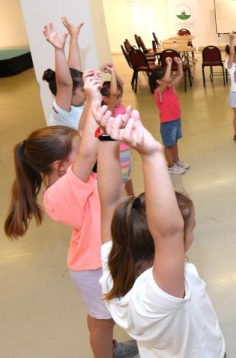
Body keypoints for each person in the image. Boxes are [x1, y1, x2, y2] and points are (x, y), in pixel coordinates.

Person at [4, 72, 136, 357]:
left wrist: (96, 106)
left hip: (96, 261)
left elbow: (84, 137)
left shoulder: (72, 180)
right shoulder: (61, 192)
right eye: (77, 152)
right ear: (61, 165)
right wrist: (94, 99)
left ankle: (109, 347)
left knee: (100, 316)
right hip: (92, 267)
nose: (85, 152)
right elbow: (88, 153)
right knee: (103, 321)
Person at [93, 107, 226, 357]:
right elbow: (169, 232)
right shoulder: (158, 295)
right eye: (190, 227)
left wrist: (107, 135)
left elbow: (109, 202)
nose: (191, 230)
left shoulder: (116, 267)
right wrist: (151, 154)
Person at [42, 17, 86, 130]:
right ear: (69, 93)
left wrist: (74, 36)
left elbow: (74, 70)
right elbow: (65, 84)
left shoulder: (77, 103)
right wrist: (59, 50)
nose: (87, 91)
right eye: (83, 89)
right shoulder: (62, 113)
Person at [149, 57, 190, 174]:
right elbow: (167, 79)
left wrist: (179, 64)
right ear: (159, 82)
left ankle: (176, 160)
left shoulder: (170, 87)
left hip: (176, 120)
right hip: (167, 123)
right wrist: (169, 64)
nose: (169, 78)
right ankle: (171, 165)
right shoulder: (159, 92)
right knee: (168, 145)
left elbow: (179, 75)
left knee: (174, 142)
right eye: (166, 77)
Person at [101, 63, 134, 196]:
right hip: (120, 150)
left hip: (126, 146)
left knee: (128, 175)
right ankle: (120, 201)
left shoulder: (118, 106)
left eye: (120, 97)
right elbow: (114, 93)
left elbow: (120, 86)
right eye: (116, 97)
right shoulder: (108, 111)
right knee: (122, 178)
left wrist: (113, 72)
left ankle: (132, 196)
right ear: (105, 99)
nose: (119, 99)